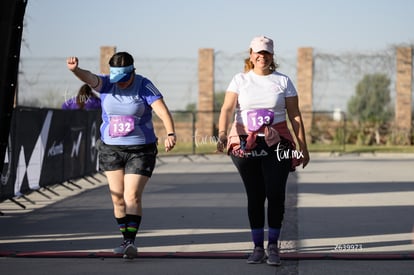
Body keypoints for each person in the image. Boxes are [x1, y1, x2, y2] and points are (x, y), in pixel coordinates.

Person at [66, 52, 176, 259]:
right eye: (119, 80)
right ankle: (125, 240)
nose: (122, 84)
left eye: (125, 80)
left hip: (140, 149)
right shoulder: (107, 84)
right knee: (117, 199)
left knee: (131, 195)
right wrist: (76, 71)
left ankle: (130, 242)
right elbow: (90, 77)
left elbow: (162, 110)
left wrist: (170, 133)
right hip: (111, 149)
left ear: (132, 72)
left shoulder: (144, 85)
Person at [217, 36, 310, 266]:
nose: (262, 56)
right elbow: (227, 108)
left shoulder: (283, 81)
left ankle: (274, 246)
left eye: (266, 53)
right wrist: (221, 133)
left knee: (276, 194)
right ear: (251, 55)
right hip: (245, 143)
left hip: (277, 144)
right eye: (258, 52)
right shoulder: (239, 80)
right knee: (256, 195)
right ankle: (258, 247)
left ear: (272, 56)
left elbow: (295, 115)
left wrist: (303, 147)